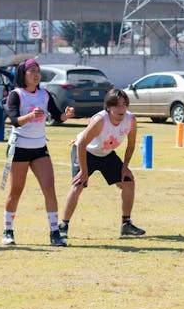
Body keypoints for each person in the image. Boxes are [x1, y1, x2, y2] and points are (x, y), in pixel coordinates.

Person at [2, 59, 74, 247]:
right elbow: (14, 120)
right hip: (19, 147)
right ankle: (8, 231)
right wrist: (31, 116)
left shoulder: (44, 94)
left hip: (40, 148)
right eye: (31, 70)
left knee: (49, 188)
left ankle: (54, 233)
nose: (36, 74)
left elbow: (58, 116)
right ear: (23, 74)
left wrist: (66, 115)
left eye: (38, 71)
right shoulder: (15, 95)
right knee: (16, 191)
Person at [59, 88, 145, 240]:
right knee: (78, 185)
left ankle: (126, 224)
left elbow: (131, 144)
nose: (121, 109)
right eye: (117, 105)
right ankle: (63, 226)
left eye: (124, 105)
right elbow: (81, 144)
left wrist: (125, 168)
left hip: (106, 153)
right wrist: (84, 172)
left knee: (129, 183)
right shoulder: (100, 120)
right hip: (86, 151)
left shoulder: (131, 120)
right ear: (109, 107)